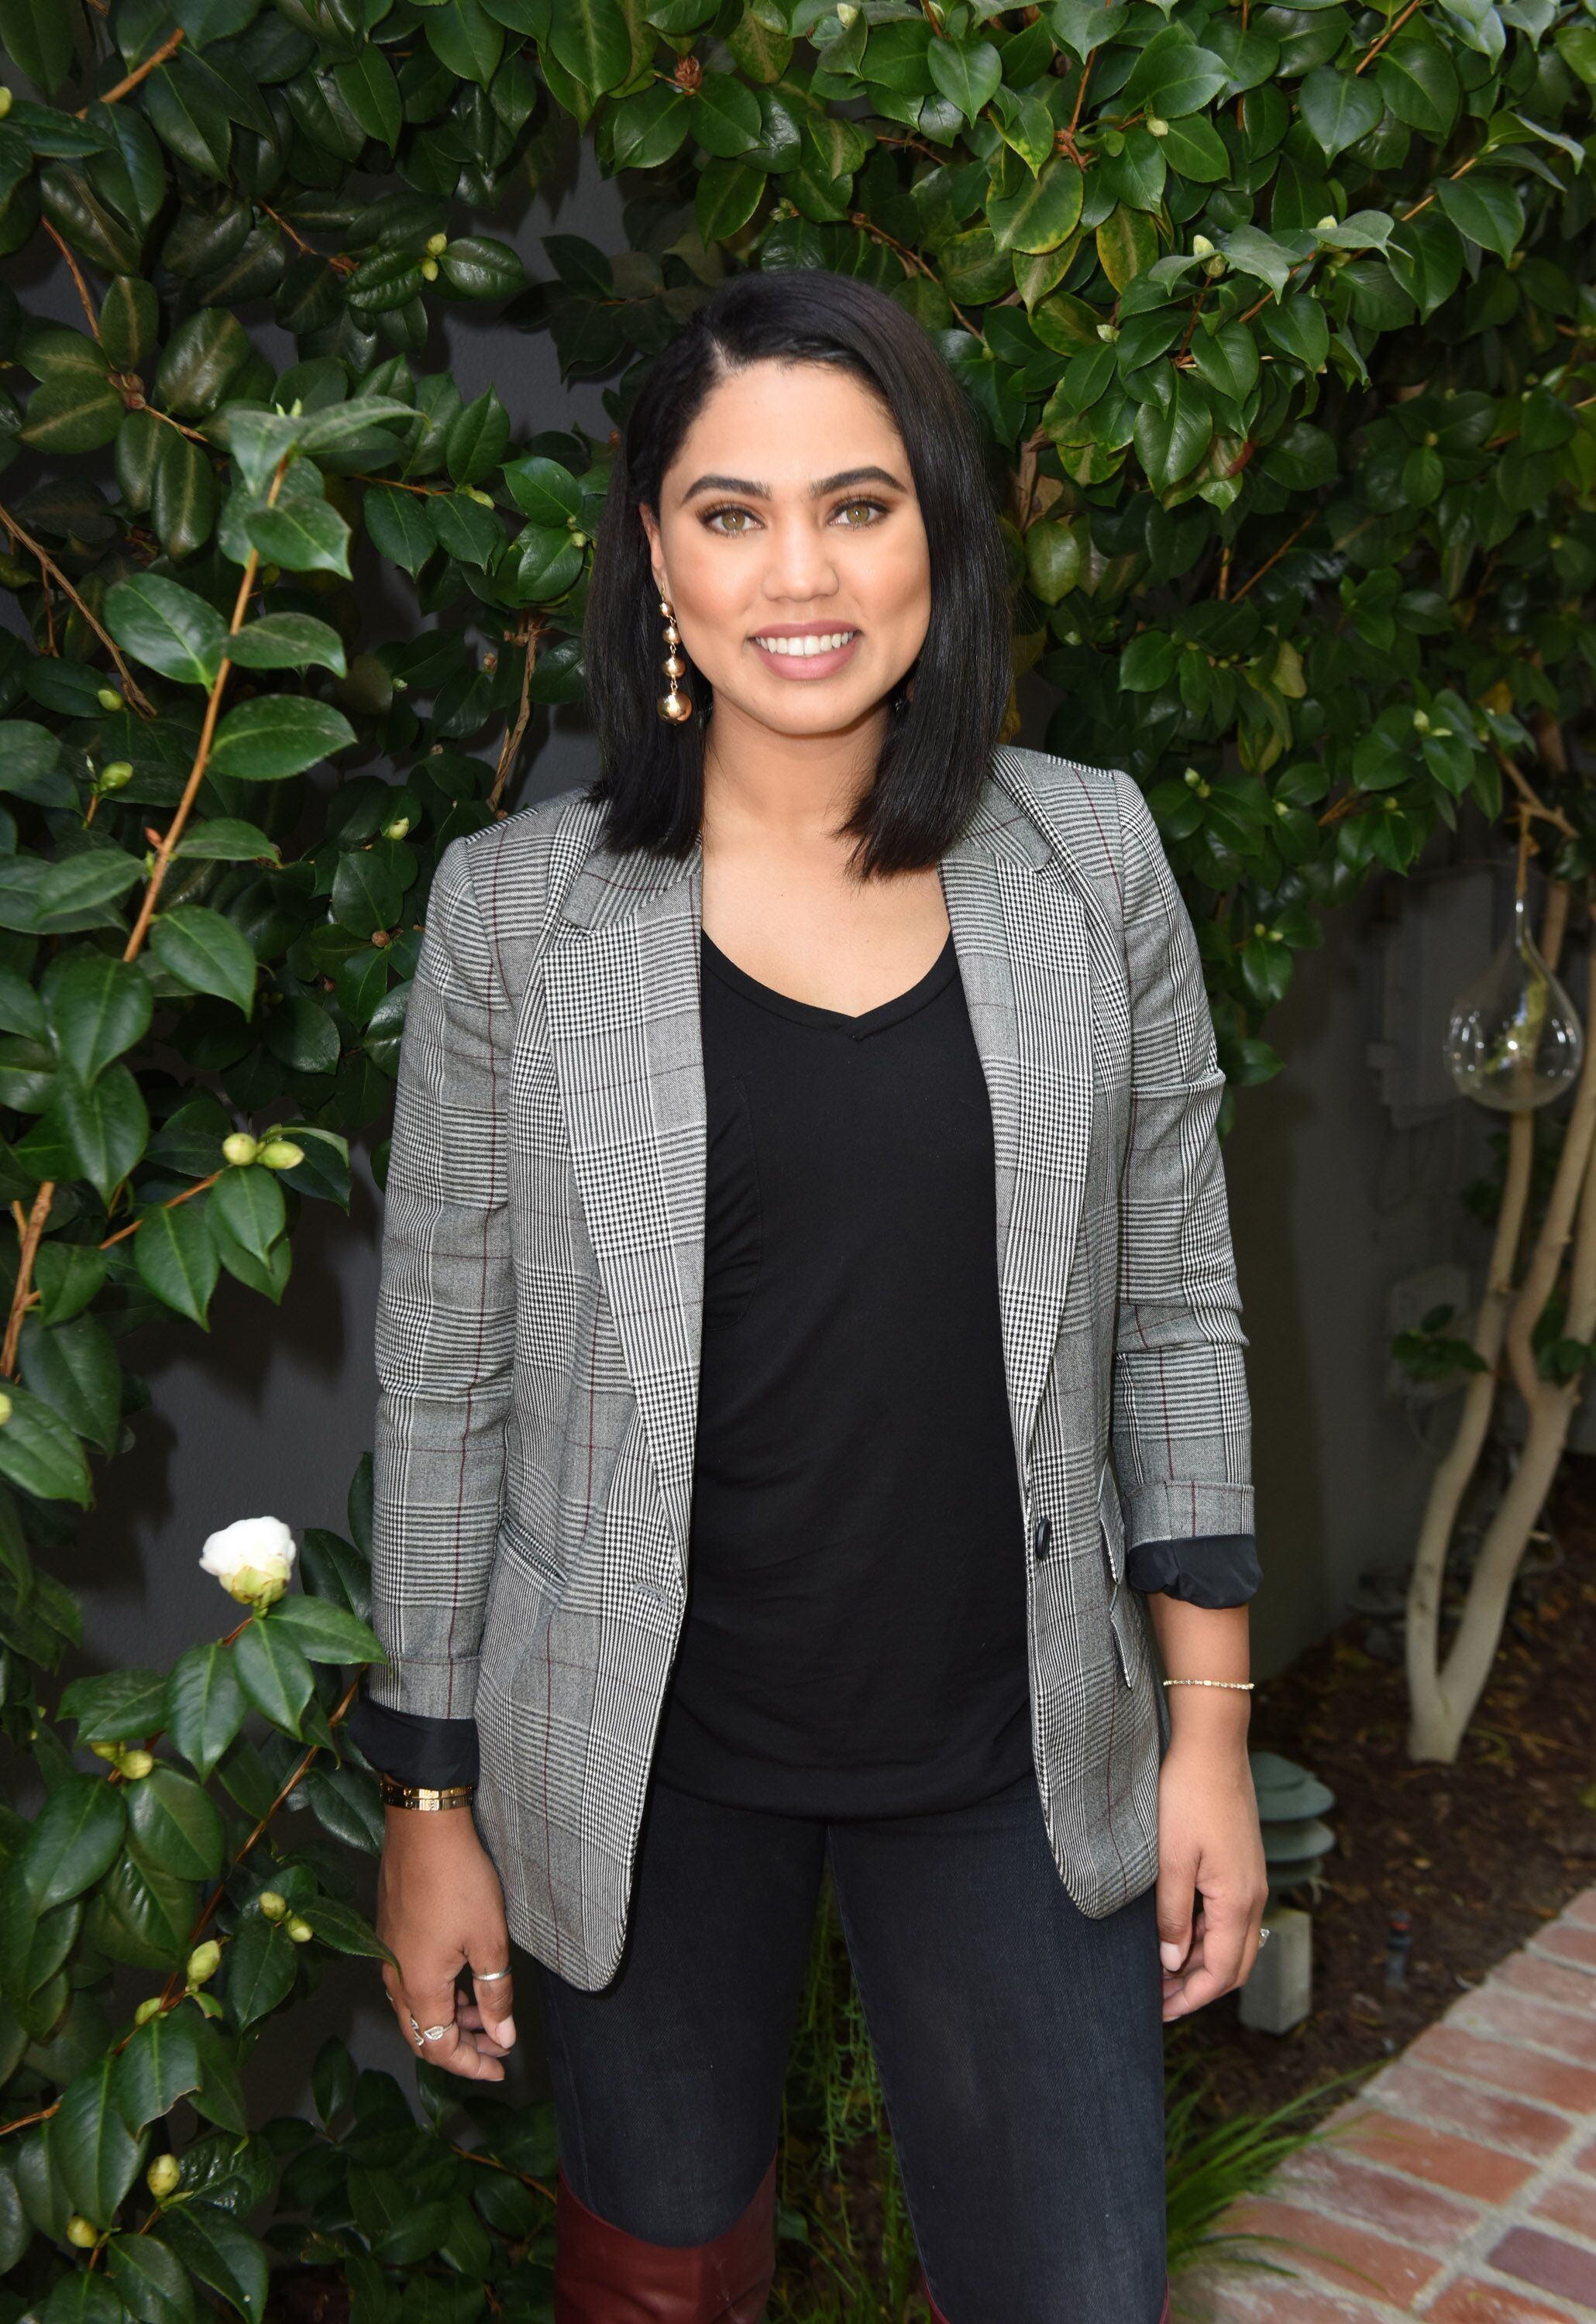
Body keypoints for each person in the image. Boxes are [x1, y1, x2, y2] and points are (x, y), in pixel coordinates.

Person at [349, 267, 1270, 2324]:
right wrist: (427, 1799)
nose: (801, 572)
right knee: (662, 2276)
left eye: (856, 505)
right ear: (653, 554)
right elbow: (440, 1388)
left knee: (1076, 2289)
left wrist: (1202, 1737)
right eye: (728, 509)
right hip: (642, 1751)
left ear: (936, 528)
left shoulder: (1091, 861)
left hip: (1002, 1742)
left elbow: (1176, 1315)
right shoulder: (514, 917)